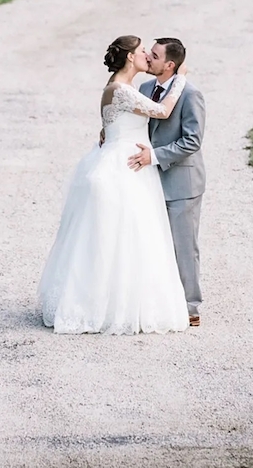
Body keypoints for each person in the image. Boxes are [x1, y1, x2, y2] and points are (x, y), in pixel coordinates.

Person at [39, 36, 189, 335]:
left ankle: (121, 303)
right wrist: (180, 81)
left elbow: (115, 124)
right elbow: (162, 111)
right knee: (120, 238)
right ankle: (106, 308)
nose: (147, 55)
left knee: (129, 239)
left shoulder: (124, 88)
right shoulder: (120, 89)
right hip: (124, 168)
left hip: (126, 161)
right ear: (131, 58)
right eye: (143, 51)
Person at [128, 38, 206, 327]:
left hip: (182, 184)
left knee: (184, 245)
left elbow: (192, 141)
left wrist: (155, 156)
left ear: (169, 65)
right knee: (153, 243)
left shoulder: (191, 94)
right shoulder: (146, 88)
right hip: (151, 181)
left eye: (155, 55)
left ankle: (190, 306)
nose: (148, 57)